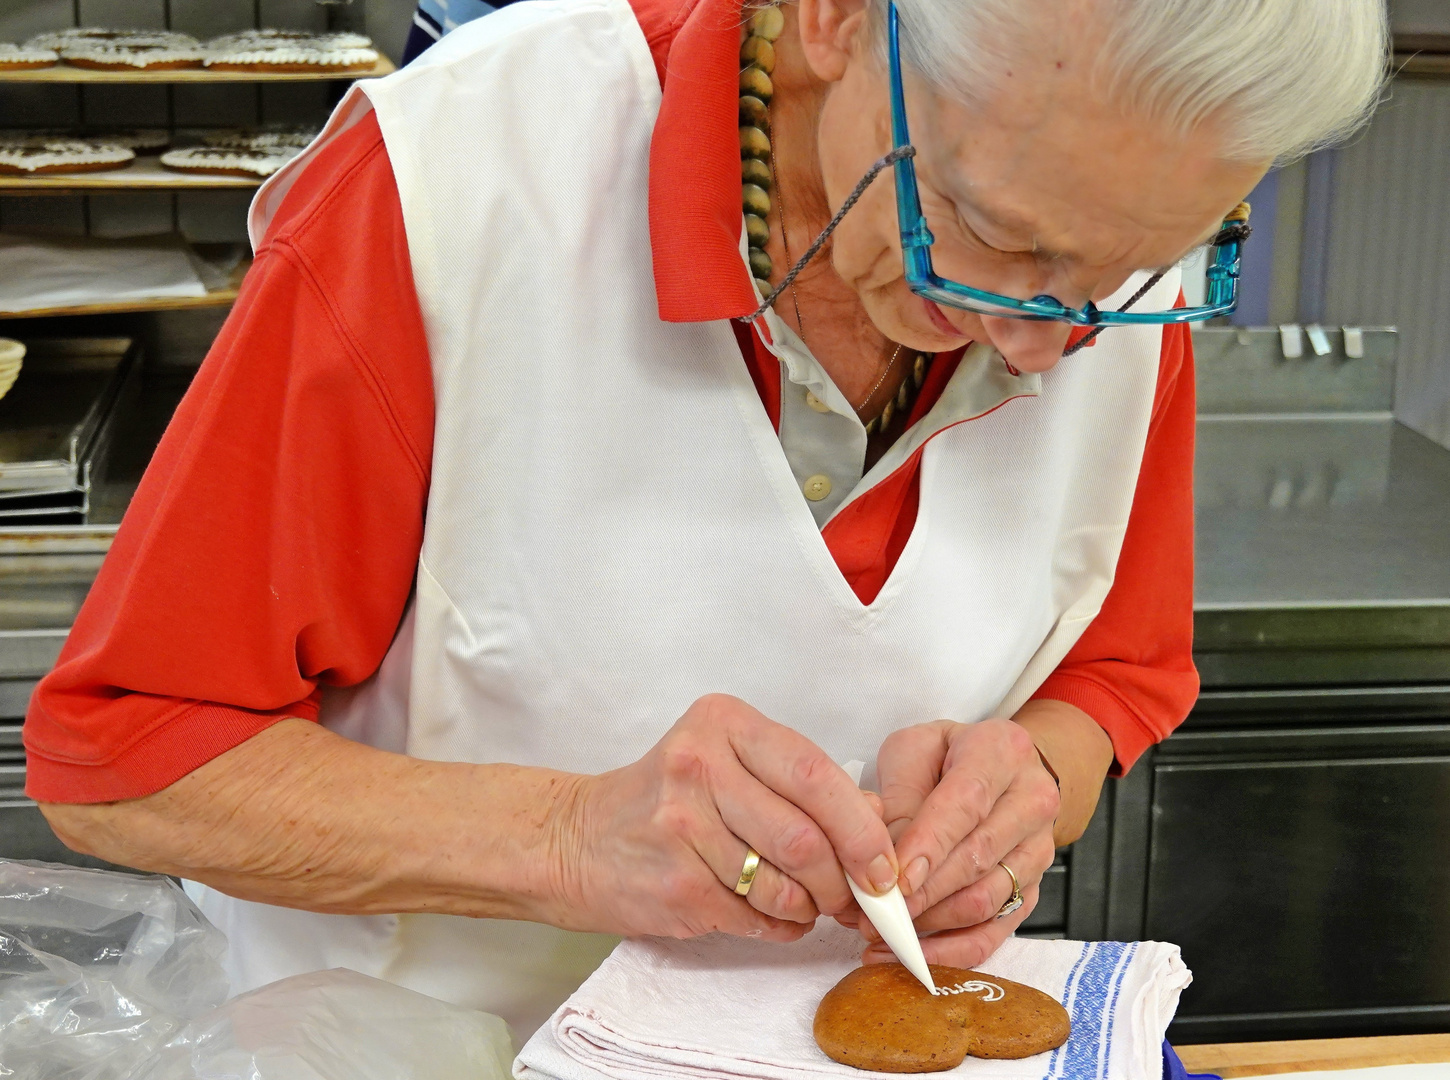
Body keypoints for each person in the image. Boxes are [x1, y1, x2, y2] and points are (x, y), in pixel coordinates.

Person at [24, 0, 1385, 1047]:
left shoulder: (1091, 263)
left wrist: (1031, 776)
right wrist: (562, 839)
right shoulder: (461, 190)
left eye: (1127, 268)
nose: (1041, 349)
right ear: (839, 21)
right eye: (984, 230)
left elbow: (1116, 672)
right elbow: (127, 758)